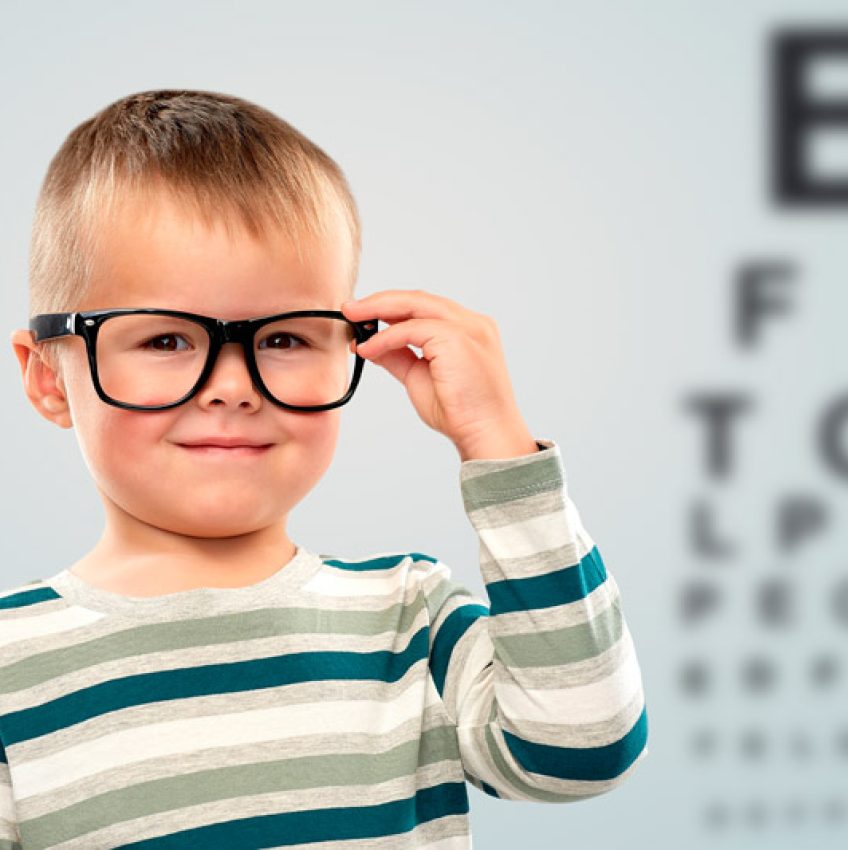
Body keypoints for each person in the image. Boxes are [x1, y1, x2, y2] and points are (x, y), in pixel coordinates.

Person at [3, 89, 649, 849]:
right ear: (49, 379)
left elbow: (582, 752)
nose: (233, 387)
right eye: (165, 341)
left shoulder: (410, 619)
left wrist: (498, 443)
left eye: (284, 339)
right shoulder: (13, 663)